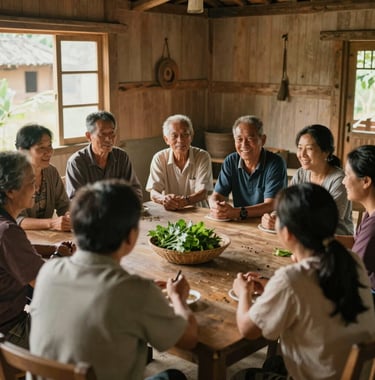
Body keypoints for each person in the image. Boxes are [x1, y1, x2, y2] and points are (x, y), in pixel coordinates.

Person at [30, 179, 198, 380]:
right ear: (131, 237)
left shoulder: (48, 271)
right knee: (175, 376)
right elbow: (188, 339)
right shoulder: (135, 291)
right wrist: (178, 297)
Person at [232, 183, 375, 380]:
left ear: (287, 233)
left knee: (242, 375)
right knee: (274, 363)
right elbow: (315, 292)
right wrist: (271, 286)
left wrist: (243, 293)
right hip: (352, 374)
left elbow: (248, 329)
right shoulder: (351, 260)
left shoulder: (291, 279)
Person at [0, 152, 73, 349]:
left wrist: (52, 249)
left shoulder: (5, 227)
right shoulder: (8, 231)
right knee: (82, 320)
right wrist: (60, 257)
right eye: (31, 182)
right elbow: (47, 282)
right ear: (10, 191)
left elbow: (16, 252)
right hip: (9, 332)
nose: (35, 189)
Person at [262, 124, 353, 235]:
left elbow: (328, 220)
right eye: (300, 148)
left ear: (326, 152)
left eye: (309, 149)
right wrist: (274, 217)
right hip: (302, 236)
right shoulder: (301, 173)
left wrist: (286, 220)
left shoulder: (339, 180)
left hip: (333, 241)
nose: (302, 154)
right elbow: (288, 205)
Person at [209, 115, 287, 220]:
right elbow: (217, 195)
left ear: (262, 140)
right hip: (239, 222)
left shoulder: (276, 163)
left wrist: (237, 212)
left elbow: (271, 205)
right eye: (239, 139)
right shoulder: (231, 161)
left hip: (267, 223)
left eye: (250, 138)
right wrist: (215, 205)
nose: (244, 144)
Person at [65, 110, 143, 202]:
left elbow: (135, 191)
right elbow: (78, 202)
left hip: (120, 213)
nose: (108, 139)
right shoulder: (77, 162)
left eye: (112, 133)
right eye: (102, 134)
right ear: (89, 136)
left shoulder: (121, 157)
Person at [146, 114, 213, 210]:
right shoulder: (159, 158)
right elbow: (154, 192)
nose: (180, 140)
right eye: (174, 136)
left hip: (198, 212)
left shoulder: (202, 156)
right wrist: (163, 199)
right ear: (166, 139)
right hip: (170, 212)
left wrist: (185, 201)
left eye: (185, 135)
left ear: (191, 136)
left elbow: (203, 192)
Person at [15, 124, 71, 231]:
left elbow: (63, 205)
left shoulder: (51, 172)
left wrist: (68, 216)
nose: (49, 152)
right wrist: (52, 223)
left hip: (46, 238)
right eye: (41, 147)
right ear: (22, 151)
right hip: (16, 238)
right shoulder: (12, 177)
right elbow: (16, 220)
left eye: (50, 145)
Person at [339, 145, 375, 303]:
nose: (343, 181)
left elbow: (352, 269)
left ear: (366, 181)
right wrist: (322, 239)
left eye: (347, 175)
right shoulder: (370, 212)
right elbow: (356, 242)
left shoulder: (373, 226)